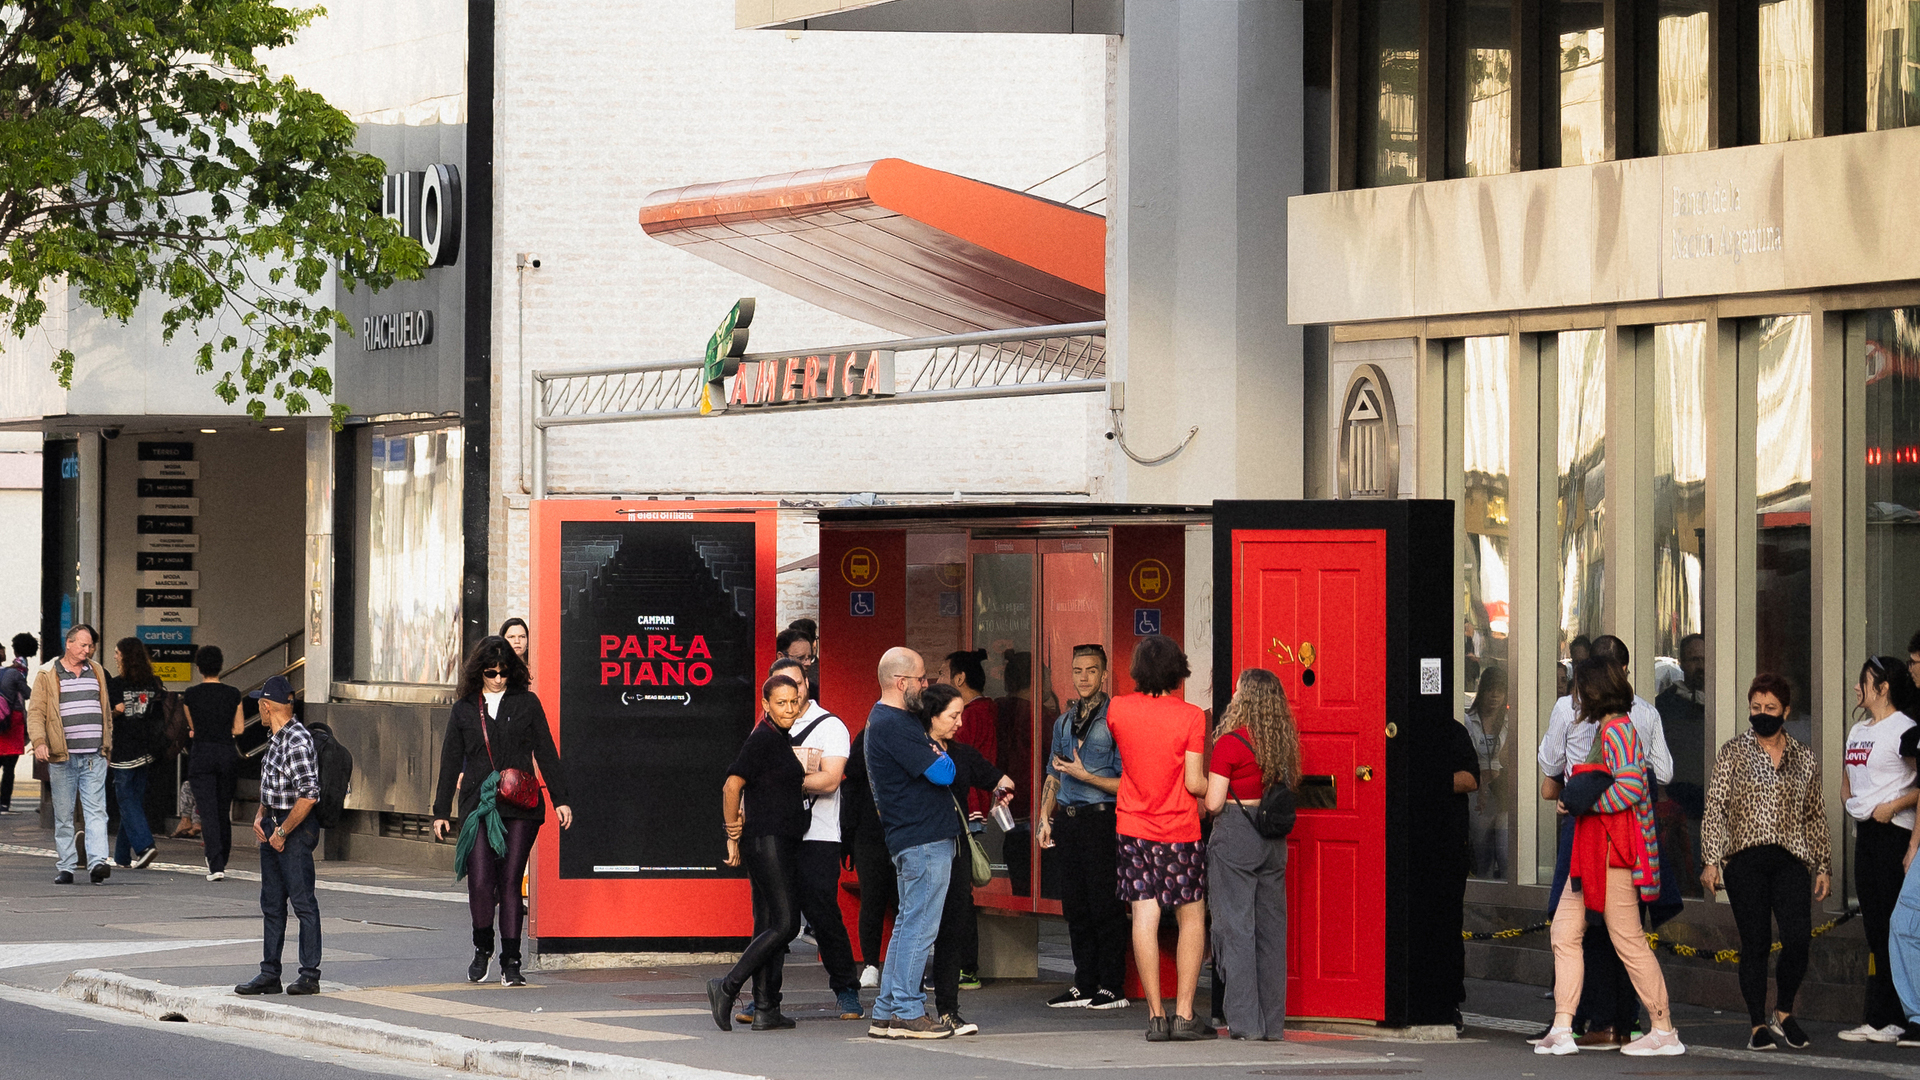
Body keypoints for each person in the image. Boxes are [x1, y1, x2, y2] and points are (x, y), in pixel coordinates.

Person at [1536, 658, 1684, 1057]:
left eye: (1580, 689)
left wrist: (1584, 805)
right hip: (1596, 851)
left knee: (1627, 940)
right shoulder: (1615, 727)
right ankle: (1563, 1027)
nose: (1575, 696)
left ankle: (1664, 1029)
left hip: (1610, 854)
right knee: (1565, 933)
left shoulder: (1617, 730)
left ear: (1595, 691)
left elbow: (1633, 788)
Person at [433, 636, 572, 987]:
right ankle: (483, 949)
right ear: (479, 671)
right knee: (481, 881)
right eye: (490, 672)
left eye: (504, 672)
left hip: (520, 805)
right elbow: (450, 760)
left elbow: (546, 750)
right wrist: (440, 811)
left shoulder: (527, 703)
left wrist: (561, 799)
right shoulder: (465, 708)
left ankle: (512, 962)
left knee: (510, 883)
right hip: (478, 805)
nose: (497, 678)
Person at [1700, 673, 1828, 1052]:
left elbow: (1815, 815)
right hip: (1745, 860)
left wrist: (1823, 865)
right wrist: (1710, 860)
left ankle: (1783, 1012)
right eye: (1756, 708)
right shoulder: (1733, 752)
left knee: (1798, 938)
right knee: (1755, 942)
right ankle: (1757, 1023)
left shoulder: (1803, 756)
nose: (1762, 714)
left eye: (1770, 708)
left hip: (1791, 859)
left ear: (1786, 710)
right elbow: (1715, 808)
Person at [1106, 634, 1211, 1042]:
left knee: (1143, 918)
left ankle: (1155, 1016)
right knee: (1191, 917)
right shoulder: (1190, 717)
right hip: (1180, 830)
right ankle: (1185, 1012)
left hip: (1132, 827)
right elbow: (1193, 780)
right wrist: (1213, 789)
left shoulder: (1118, 709)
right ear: (1178, 670)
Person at [861, 646, 958, 1040]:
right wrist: (937, 748)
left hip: (910, 838)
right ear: (901, 683)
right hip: (923, 839)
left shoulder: (883, 720)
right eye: (920, 678)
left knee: (906, 926)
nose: (926, 684)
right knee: (919, 928)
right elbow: (943, 772)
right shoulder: (896, 724)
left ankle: (886, 1011)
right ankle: (906, 1009)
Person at [706, 673, 812, 1032]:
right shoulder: (764, 739)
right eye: (780, 703)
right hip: (768, 841)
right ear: (766, 705)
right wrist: (731, 830)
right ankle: (727, 986)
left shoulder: (778, 738)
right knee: (786, 924)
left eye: (793, 701)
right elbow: (731, 784)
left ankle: (767, 1007)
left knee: (769, 923)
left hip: (773, 839)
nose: (788, 709)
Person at [1204, 668, 1302, 1041]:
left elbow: (1214, 802)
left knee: (1236, 930)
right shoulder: (1283, 743)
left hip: (1236, 837)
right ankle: (1272, 1025)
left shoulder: (1230, 743)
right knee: (1271, 934)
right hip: (1273, 842)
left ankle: (1245, 1024)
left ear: (1243, 698)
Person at [920, 681, 1015, 1036]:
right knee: (916, 930)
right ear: (932, 716)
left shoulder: (962, 754)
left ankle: (948, 1010)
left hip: (956, 852)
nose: (960, 722)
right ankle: (907, 1006)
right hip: (921, 852)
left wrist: (1003, 794)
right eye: (953, 715)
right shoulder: (915, 749)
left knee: (951, 931)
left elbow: (1001, 779)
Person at [1038, 643, 1129, 1011]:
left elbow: (1128, 781)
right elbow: (1053, 775)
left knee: (1104, 902)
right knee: (1074, 905)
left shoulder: (1115, 720)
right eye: (1078, 671)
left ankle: (1111, 985)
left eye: (1092, 671)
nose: (1084, 678)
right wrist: (1045, 816)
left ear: (1104, 674)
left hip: (1102, 818)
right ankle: (1083, 982)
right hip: (1069, 821)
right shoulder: (1063, 721)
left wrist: (1087, 776)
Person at [772, 655, 861, 1020]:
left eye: (795, 685)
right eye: (780, 687)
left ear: (806, 684)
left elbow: (830, 778)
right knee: (774, 917)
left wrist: (776, 780)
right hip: (775, 832)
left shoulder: (829, 726)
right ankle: (766, 999)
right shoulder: (767, 726)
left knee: (822, 910)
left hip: (819, 834)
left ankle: (846, 989)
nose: (789, 696)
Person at [1838, 655, 1920, 1043]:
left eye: (1864, 681)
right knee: (1873, 926)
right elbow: (1847, 779)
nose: (1858, 687)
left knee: (1892, 925)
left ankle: (1899, 1016)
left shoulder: (1905, 728)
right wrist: (1855, 805)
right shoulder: (1858, 730)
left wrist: (1893, 806)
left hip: (1894, 834)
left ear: (1883, 687)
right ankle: (1875, 1015)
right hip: (1865, 831)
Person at [235, 675, 323, 996]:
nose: (259, 709)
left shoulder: (297, 740)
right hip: (273, 824)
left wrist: (283, 830)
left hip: (294, 830)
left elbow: (309, 794)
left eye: (260, 704)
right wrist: (261, 815)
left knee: (302, 902)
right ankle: (269, 973)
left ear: (266, 706)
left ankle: (309, 974)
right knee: (271, 903)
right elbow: (271, 784)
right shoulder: (275, 738)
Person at [27, 624, 114, 885]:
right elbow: (36, 713)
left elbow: (106, 710)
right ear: (69, 643)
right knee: (64, 814)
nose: (88, 651)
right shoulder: (47, 674)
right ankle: (66, 865)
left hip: (93, 755)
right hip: (62, 757)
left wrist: (107, 745)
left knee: (97, 811)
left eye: (91, 647)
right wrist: (40, 741)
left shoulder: (97, 670)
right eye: (84, 646)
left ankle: (98, 861)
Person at [941, 647, 997, 989]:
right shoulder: (985, 711)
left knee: (958, 893)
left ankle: (964, 965)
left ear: (960, 678)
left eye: (944, 674)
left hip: (966, 810)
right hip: (973, 808)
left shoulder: (972, 715)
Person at [183, 645, 245, 880]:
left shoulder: (190, 694)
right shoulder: (233, 693)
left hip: (201, 753)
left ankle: (215, 862)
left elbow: (193, 728)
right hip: (226, 753)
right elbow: (239, 728)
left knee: (207, 809)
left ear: (198, 667)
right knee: (222, 809)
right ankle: (223, 857)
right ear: (221, 666)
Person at [843, 721, 896, 990]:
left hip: (891, 832)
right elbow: (851, 775)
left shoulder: (906, 732)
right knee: (875, 900)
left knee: (899, 903)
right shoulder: (869, 734)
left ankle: (885, 966)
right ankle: (871, 964)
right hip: (870, 832)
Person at [107, 637, 163, 870]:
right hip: (147, 749)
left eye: (117, 653)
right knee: (134, 801)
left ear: (125, 657)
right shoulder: (153, 683)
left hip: (123, 751)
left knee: (126, 800)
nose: (115, 656)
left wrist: (117, 711)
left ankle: (144, 846)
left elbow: (108, 716)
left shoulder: (116, 684)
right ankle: (121, 856)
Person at [1464, 665, 1510, 879]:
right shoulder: (1467, 720)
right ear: (1481, 690)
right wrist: (1481, 785)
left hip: (1503, 792)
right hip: (1476, 793)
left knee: (1505, 851)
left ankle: (1507, 910)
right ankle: (1486, 912)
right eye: (1490, 689)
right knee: (1483, 855)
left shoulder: (1510, 721)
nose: (1494, 696)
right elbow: (1468, 759)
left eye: (1500, 690)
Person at [0, 632, 31, 813]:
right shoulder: (15, 672)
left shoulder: (9, 670)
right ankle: (4, 803)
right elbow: (28, 693)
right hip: (13, 720)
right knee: (10, 767)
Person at [778, 626, 819, 701]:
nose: (808, 663)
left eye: (809, 657)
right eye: (800, 658)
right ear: (781, 657)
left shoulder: (815, 692)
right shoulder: (767, 687)